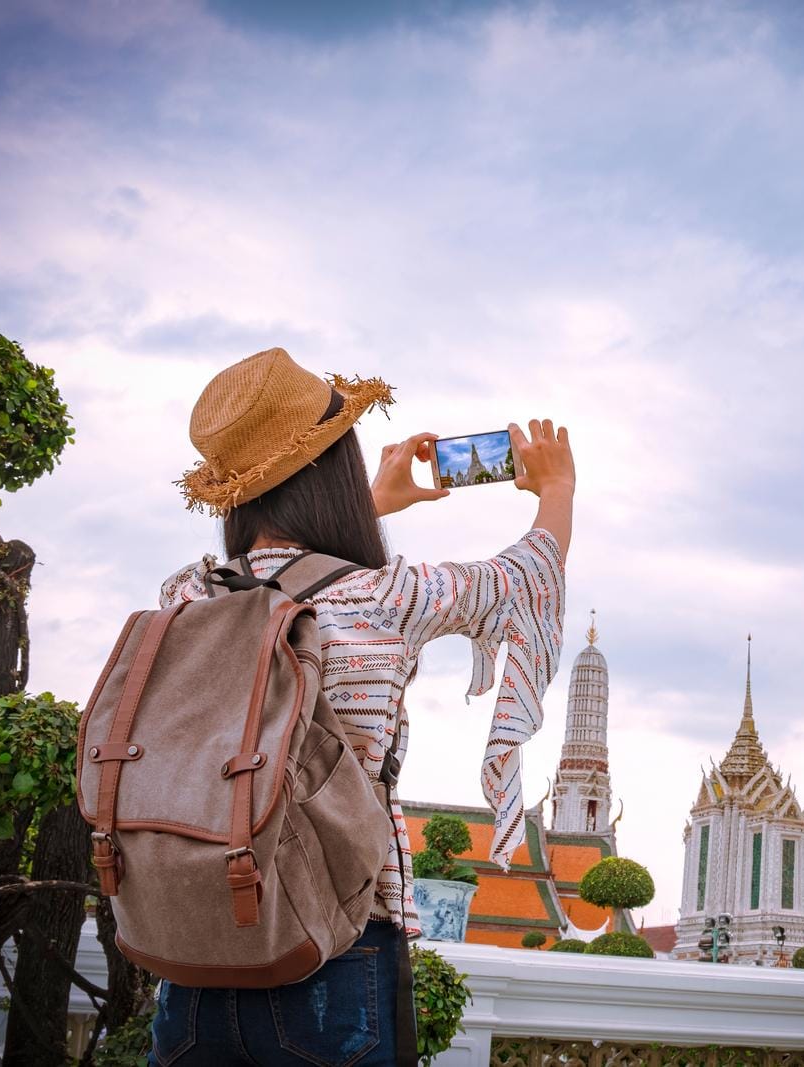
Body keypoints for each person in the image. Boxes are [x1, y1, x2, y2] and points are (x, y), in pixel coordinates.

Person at [150, 347, 573, 1065]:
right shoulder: (385, 594)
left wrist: (365, 504)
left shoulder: (185, 596)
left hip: (195, 954)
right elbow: (524, 578)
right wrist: (556, 488)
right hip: (335, 948)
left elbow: (283, 572)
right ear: (331, 474)